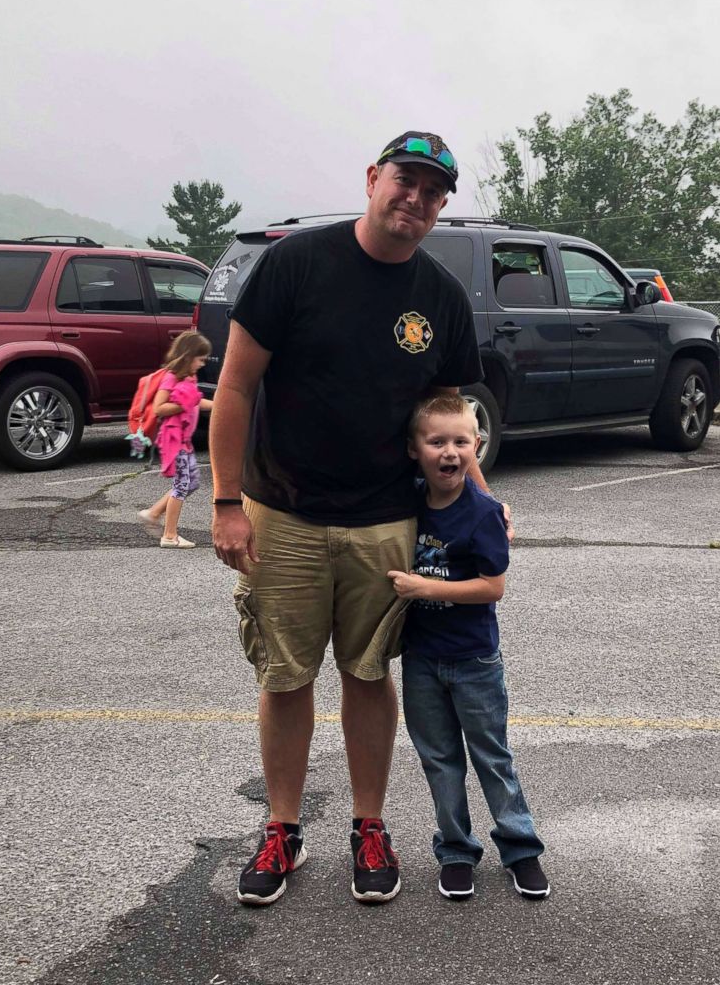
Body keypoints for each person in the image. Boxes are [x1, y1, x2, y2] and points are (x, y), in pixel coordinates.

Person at [209, 131, 508, 907]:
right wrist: (226, 502)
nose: (415, 198)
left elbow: (449, 418)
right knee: (286, 676)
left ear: (442, 208)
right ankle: (281, 830)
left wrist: (478, 503)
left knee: (370, 675)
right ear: (374, 178)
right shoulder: (296, 264)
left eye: (433, 191)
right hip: (285, 516)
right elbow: (235, 388)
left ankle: (368, 827)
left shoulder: (438, 296)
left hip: (386, 524)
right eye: (405, 180)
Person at [388, 393, 549, 901]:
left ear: (476, 446)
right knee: (439, 760)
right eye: (436, 441)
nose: (450, 452)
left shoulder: (481, 514)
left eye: (461, 441)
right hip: (421, 661)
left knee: (491, 757)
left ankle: (521, 849)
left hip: (474, 659)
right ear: (414, 449)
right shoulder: (408, 502)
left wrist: (425, 588)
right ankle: (456, 850)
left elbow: (492, 586)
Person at [138, 331, 213, 549]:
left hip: (185, 440)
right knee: (182, 484)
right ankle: (169, 535)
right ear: (188, 356)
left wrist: (220, 405)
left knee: (193, 481)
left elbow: (196, 402)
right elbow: (160, 407)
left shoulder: (189, 378)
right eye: (200, 359)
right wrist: (184, 404)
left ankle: (153, 513)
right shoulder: (170, 377)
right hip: (174, 440)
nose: (202, 364)